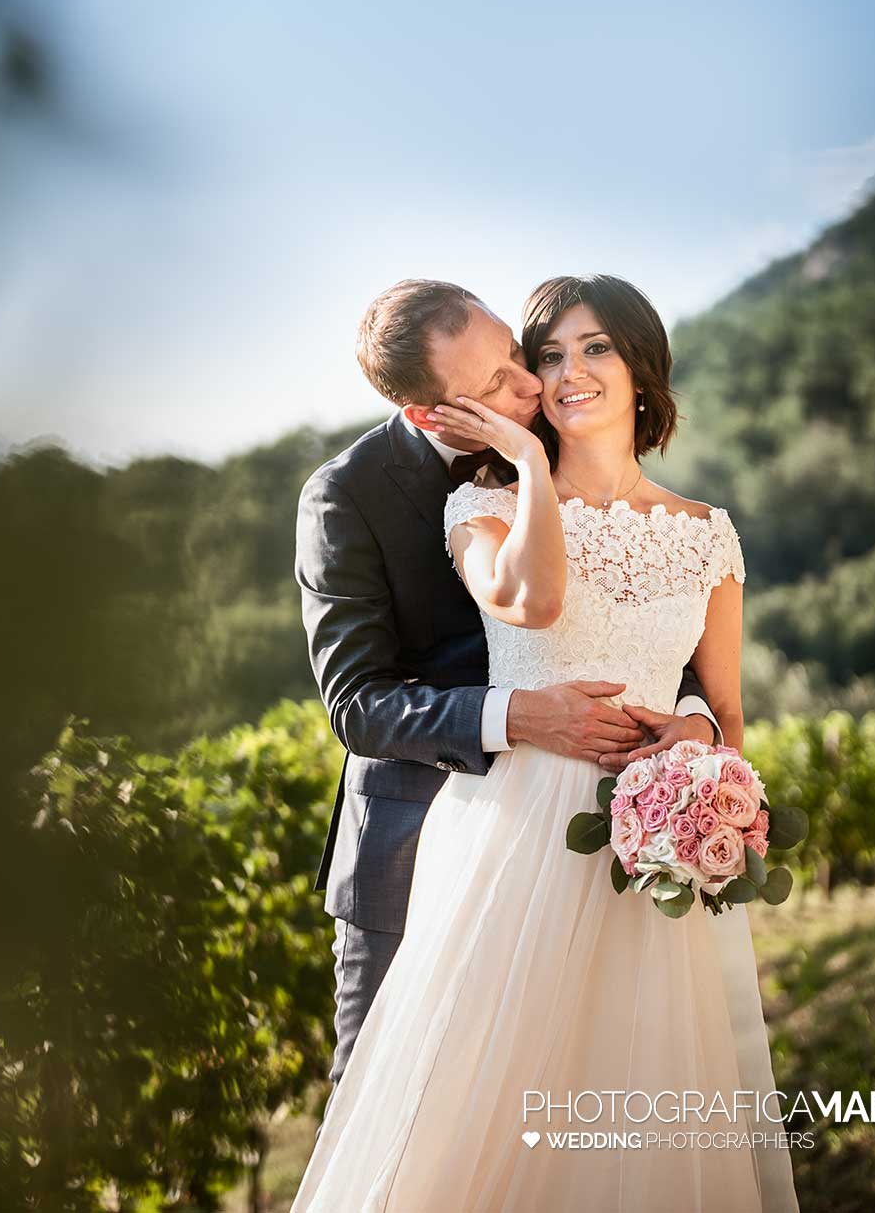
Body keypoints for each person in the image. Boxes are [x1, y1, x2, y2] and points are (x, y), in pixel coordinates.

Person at [290, 274, 797, 1210]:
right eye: (508, 379)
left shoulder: (687, 521)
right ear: (430, 411)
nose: (536, 384)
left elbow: (675, 661)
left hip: (625, 837)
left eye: (521, 357)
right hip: (433, 839)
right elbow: (359, 702)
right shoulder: (354, 496)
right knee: (404, 1132)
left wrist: (693, 730)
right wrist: (519, 713)